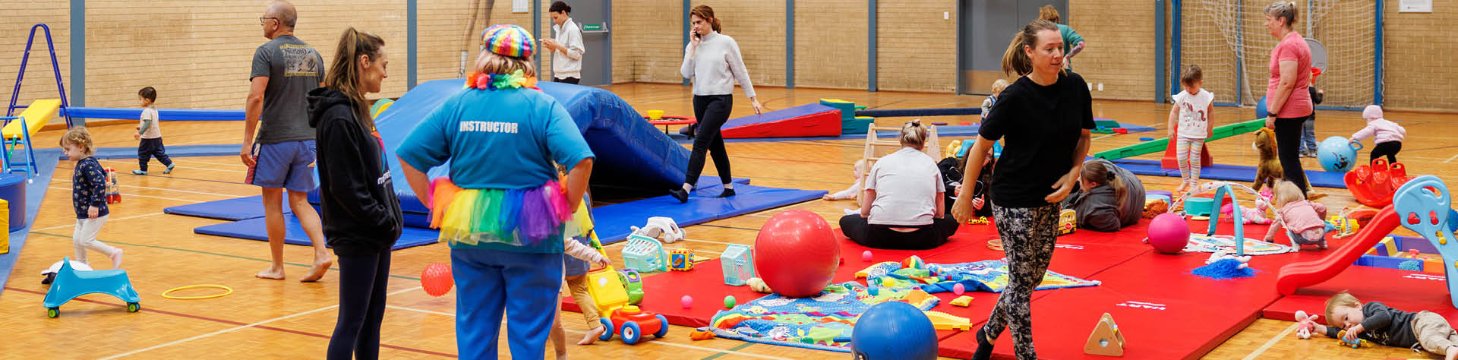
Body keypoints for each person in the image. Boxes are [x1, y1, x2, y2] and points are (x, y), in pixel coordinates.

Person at [396, 24, 595, 359]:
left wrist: (435, 203)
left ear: (485, 58)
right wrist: (568, 204)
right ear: (527, 63)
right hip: (533, 238)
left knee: (475, 331)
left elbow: (409, 155)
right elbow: (581, 160)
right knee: (529, 335)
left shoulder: (458, 104)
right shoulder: (540, 106)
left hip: (472, 236)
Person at [951, 19, 1094, 360]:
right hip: (1013, 199)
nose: (1058, 54)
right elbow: (980, 147)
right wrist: (964, 197)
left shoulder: (1075, 87)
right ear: (1030, 53)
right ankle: (1025, 355)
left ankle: (986, 335)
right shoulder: (1014, 97)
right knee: (1019, 283)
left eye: (1060, 47)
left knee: (1031, 279)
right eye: (1050, 49)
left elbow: (1084, 138)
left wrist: (1074, 173)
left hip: (1051, 196)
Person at [310, 28, 404, 360]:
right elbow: (346, 187)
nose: (386, 73)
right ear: (364, 62)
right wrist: (382, 221)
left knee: (371, 321)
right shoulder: (337, 117)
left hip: (377, 234)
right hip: (359, 234)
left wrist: (391, 219)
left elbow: (377, 174)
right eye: (383, 64)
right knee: (351, 321)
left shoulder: (357, 109)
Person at [245, 0, 332, 282]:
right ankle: (321, 252)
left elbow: (256, 97)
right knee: (300, 201)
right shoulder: (313, 54)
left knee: (272, 202)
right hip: (307, 139)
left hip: (276, 138)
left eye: (264, 19)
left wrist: (247, 141)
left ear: (275, 22)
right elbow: (321, 97)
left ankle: (277, 267)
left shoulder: (266, 52)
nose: (262, 24)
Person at [668, 5, 763, 203]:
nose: (696, 26)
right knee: (715, 144)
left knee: (701, 141)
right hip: (700, 99)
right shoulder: (693, 45)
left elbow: (740, 71)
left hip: (720, 100)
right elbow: (685, 73)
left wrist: (752, 97)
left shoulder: (725, 42)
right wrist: (693, 48)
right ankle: (728, 187)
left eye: (699, 22)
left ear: (710, 20)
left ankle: (685, 189)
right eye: (693, 23)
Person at [838, 120, 960, 250]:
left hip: (879, 235)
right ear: (923, 143)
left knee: (845, 221)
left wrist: (868, 217)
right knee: (951, 220)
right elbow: (940, 212)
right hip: (922, 238)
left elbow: (864, 211)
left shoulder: (882, 162)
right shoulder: (931, 164)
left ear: (900, 140)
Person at [1262, 1, 1315, 196]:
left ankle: (1299, 204)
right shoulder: (1293, 42)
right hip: (1294, 108)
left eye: (1269, 20)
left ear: (1281, 20)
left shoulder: (1290, 45)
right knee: (1290, 158)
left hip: (1289, 111)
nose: (1266, 24)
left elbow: (1287, 82)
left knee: (1289, 160)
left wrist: (1272, 112)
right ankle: (1297, 201)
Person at [1319, 292, 1458, 360]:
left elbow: (1384, 317)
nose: (1348, 325)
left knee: (1431, 340)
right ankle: (1452, 348)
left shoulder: (1370, 308)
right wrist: (1319, 328)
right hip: (1422, 336)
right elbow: (1338, 333)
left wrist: (1360, 327)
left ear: (1357, 306)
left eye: (1346, 318)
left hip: (1421, 322)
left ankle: (1449, 349)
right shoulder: (1361, 331)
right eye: (1344, 325)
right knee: (1439, 344)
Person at [61, 128, 123, 269]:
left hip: (95, 212)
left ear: (81, 147)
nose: (65, 152)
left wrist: (94, 205)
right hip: (82, 213)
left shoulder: (87, 164)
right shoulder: (83, 163)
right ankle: (83, 266)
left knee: (86, 240)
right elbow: (102, 174)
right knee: (77, 240)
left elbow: (100, 183)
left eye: (68, 149)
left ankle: (113, 253)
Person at [1167, 65, 1214, 195]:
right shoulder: (1183, 96)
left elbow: (1211, 113)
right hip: (1183, 133)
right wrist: (1170, 128)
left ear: (1200, 83)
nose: (1188, 89)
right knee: (1181, 158)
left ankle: (1193, 184)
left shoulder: (1205, 96)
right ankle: (1185, 180)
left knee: (1194, 159)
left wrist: (1210, 128)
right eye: (1185, 86)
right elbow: (1173, 113)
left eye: (1191, 86)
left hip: (1198, 135)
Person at [1062, 159, 1145, 232]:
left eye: (1081, 179)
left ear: (1093, 184)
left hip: (1134, 200)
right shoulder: (1102, 168)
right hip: (1136, 189)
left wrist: (1081, 222)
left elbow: (1112, 225)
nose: (1078, 180)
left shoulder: (1098, 209)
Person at [1263, 180, 1327, 249]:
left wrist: (1268, 238)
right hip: (1320, 234)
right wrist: (1321, 220)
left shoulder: (1284, 210)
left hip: (1302, 238)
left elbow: (1275, 225)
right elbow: (1322, 208)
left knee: (1289, 229)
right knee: (1317, 227)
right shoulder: (1307, 203)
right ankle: (1322, 242)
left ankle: (1296, 244)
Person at [132, 86, 175, 175]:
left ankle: (143, 170)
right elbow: (151, 123)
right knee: (158, 153)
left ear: (147, 100)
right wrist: (140, 126)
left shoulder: (147, 111)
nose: (139, 101)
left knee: (142, 153)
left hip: (148, 138)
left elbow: (147, 123)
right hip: (157, 136)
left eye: (141, 99)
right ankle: (169, 163)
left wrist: (139, 133)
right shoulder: (154, 110)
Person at [543, 1, 585, 84]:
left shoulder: (573, 29)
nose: (554, 21)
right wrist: (552, 47)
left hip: (569, 75)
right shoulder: (559, 28)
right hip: (559, 74)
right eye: (552, 18)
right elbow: (561, 50)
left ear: (563, 13)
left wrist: (557, 45)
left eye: (556, 17)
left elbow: (577, 54)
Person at [1299, 84, 1325, 157]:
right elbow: (1318, 101)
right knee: (1310, 133)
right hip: (1309, 117)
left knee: (1300, 134)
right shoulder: (1312, 89)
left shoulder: (1297, 89)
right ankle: (1312, 151)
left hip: (1299, 117)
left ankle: (1300, 151)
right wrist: (1320, 93)